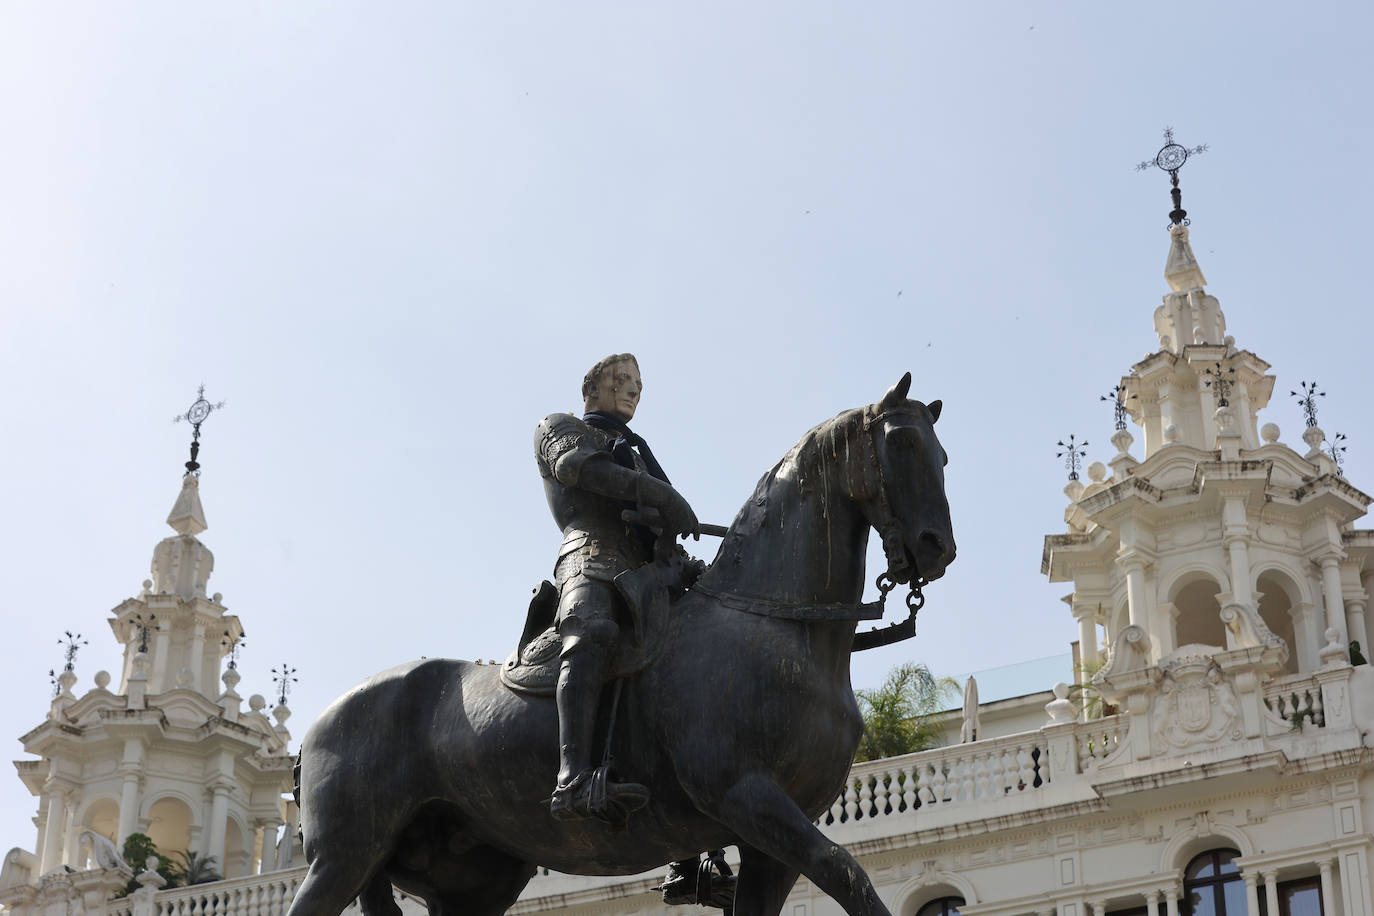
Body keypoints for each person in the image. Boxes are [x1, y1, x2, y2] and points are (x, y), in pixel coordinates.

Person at [534, 353, 699, 821]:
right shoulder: (560, 425)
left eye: (638, 385)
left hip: (652, 569)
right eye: (622, 380)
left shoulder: (637, 447)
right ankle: (573, 779)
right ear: (591, 389)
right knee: (592, 635)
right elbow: (578, 469)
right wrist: (664, 494)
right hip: (591, 555)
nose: (632, 390)